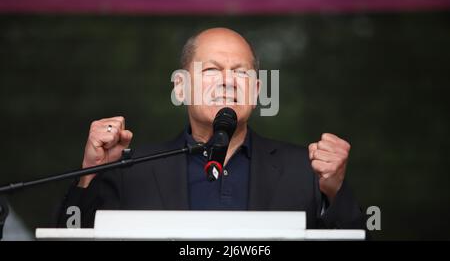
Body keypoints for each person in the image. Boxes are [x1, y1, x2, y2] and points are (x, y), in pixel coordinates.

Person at [56, 27, 365, 229]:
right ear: (180, 87)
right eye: (212, 70)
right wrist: (89, 174)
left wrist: (333, 190)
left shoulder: (305, 169)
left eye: (240, 72)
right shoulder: (132, 170)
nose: (228, 81)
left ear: (256, 91)